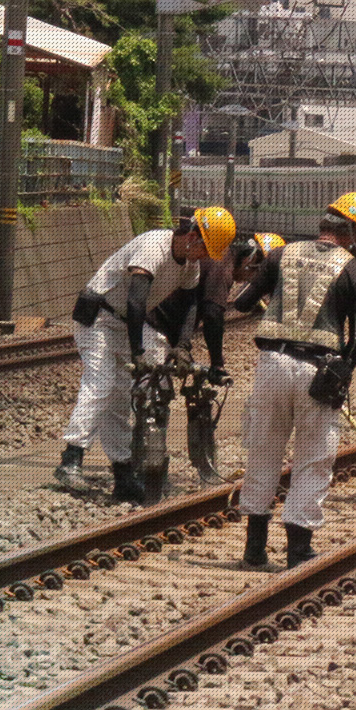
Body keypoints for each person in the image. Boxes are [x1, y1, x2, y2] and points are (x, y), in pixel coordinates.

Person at [229, 192, 356, 569]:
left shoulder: (281, 255)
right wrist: (342, 376)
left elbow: (244, 303)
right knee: (313, 459)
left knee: (263, 453)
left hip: (271, 365)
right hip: (319, 370)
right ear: (355, 234)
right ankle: (298, 551)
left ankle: (254, 550)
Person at [55, 208, 237, 500]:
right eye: (204, 249)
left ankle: (123, 474)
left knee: (121, 397)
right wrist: (138, 352)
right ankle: (71, 458)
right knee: (100, 384)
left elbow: (191, 305)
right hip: (100, 318)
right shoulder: (155, 246)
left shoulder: (189, 264)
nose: (204, 257)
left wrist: (183, 346)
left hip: (124, 322)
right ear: (192, 236)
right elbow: (137, 300)